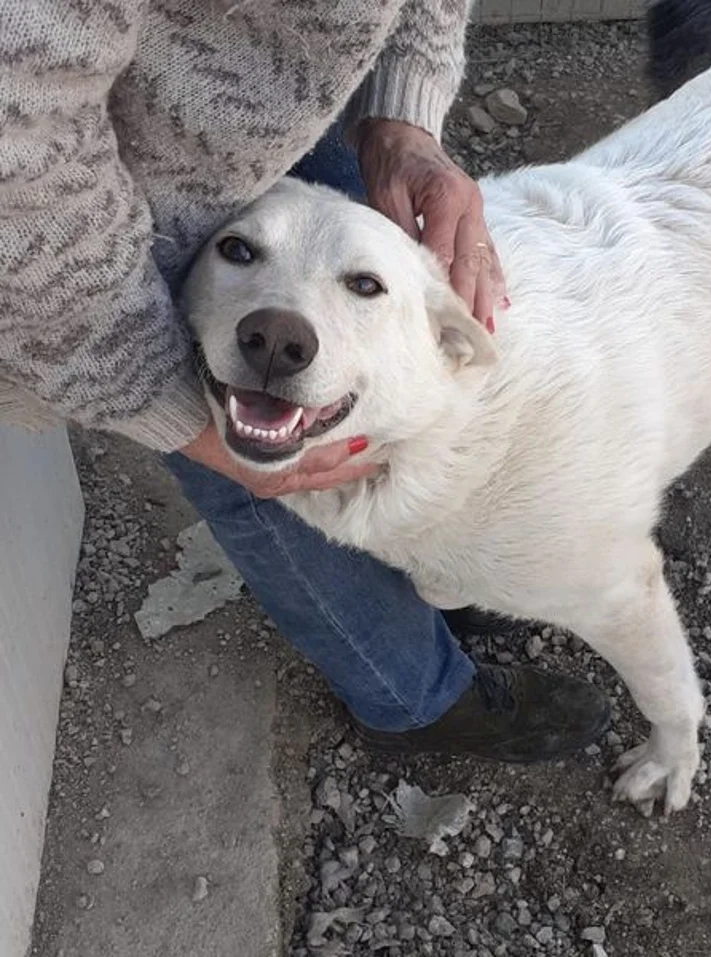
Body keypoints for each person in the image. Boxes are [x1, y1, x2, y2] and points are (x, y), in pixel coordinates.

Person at [0, 1, 610, 763]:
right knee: (253, 449)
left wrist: (400, 110)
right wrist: (161, 399)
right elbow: (13, 143)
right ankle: (411, 694)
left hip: (290, 97)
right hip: (87, 186)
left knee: (359, 324)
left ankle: (436, 569)